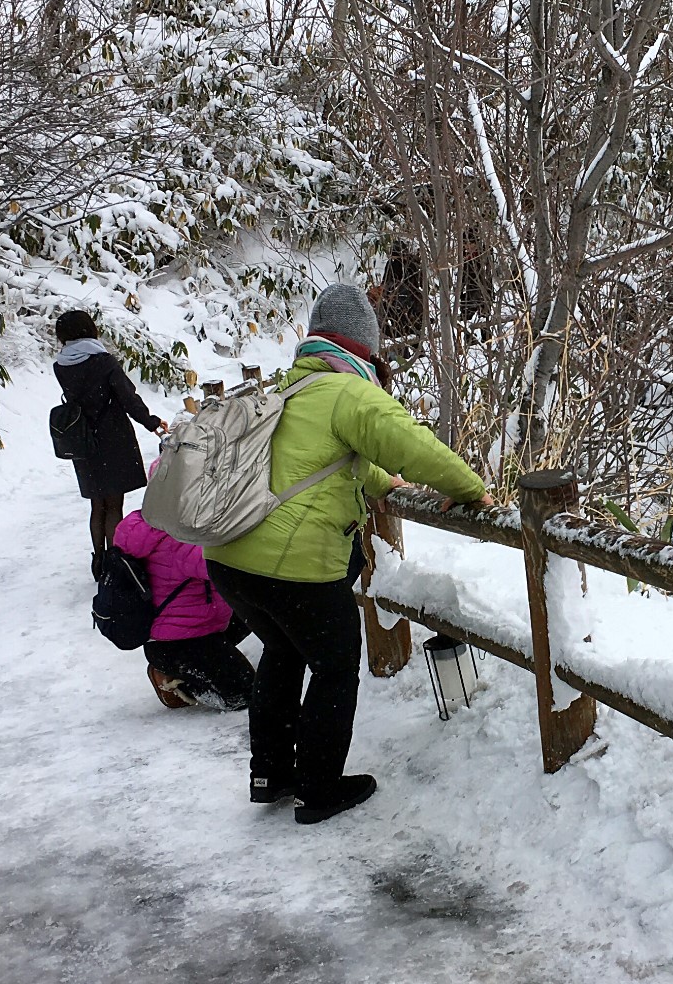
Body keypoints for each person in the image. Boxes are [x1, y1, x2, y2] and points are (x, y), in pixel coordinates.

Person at [203, 282, 490, 824]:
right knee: (335, 666)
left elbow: (327, 462)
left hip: (231, 560)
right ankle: (318, 789)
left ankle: (271, 775)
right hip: (291, 568)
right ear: (364, 346)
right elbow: (411, 443)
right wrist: (472, 488)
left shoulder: (288, 389)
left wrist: (383, 484)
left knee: (284, 654)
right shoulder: (352, 394)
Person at [52, 310, 169, 571]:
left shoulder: (61, 366)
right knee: (114, 504)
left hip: (83, 440)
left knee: (97, 503)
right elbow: (128, 399)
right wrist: (152, 422)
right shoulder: (103, 361)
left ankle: (98, 560)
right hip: (112, 436)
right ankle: (116, 562)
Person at [113, 502, 254, 712]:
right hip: (179, 642)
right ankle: (181, 682)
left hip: (196, 627)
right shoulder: (178, 537)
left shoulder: (156, 521)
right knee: (246, 694)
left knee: (257, 608)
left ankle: (212, 660)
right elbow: (224, 565)